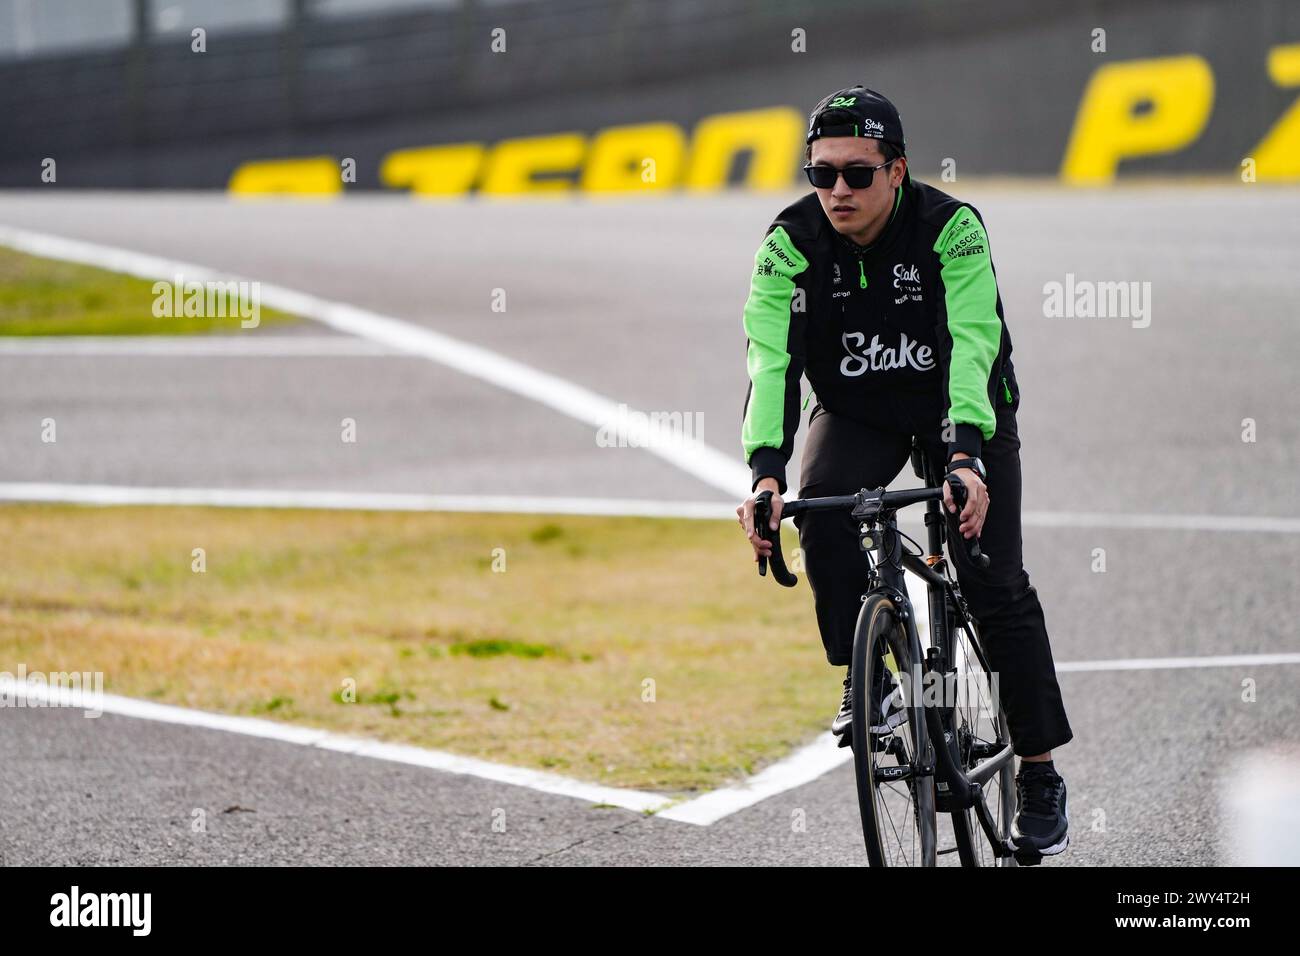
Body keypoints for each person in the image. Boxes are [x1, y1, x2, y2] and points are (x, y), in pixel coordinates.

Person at [735, 86, 1073, 858]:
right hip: (857, 411)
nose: (838, 192)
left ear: (898, 171)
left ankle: (1041, 768)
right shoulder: (787, 246)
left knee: (990, 576)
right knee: (819, 513)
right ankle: (877, 684)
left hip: (962, 406)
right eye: (822, 176)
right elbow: (770, 361)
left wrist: (964, 457)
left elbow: (973, 343)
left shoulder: (950, 229)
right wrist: (764, 474)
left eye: (857, 174)